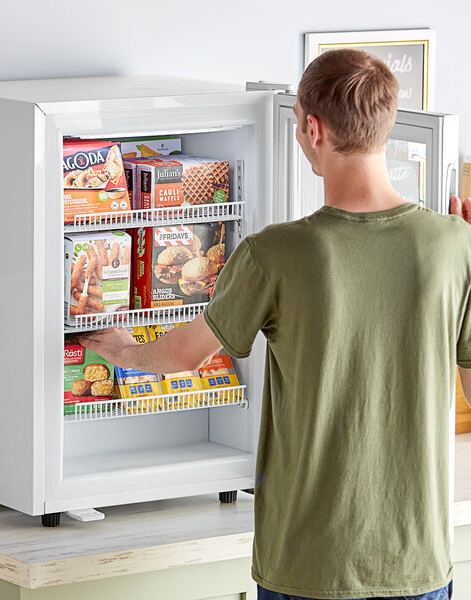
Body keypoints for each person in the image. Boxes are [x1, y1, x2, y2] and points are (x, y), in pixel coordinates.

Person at [80, 49, 471, 600]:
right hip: (418, 560)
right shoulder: (455, 244)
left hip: (307, 561)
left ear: (313, 129)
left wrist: (122, 349)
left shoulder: (275, 253)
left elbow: (184, 356)